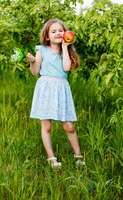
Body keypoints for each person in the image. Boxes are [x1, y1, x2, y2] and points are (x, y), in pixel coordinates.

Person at [26, 19, 85, 168]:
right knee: (47, 127)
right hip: (45, 89)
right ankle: (52, 158)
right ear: (47, 36)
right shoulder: (42, 50)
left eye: (60, 30)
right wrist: (33, 62)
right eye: (53, 31)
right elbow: (35, 72)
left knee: (68, 126)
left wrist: (65, 47)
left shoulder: (67, 51)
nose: (58, 33)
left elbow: (66, 68)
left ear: (65, 33)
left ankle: (78, 155)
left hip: (61, 88)